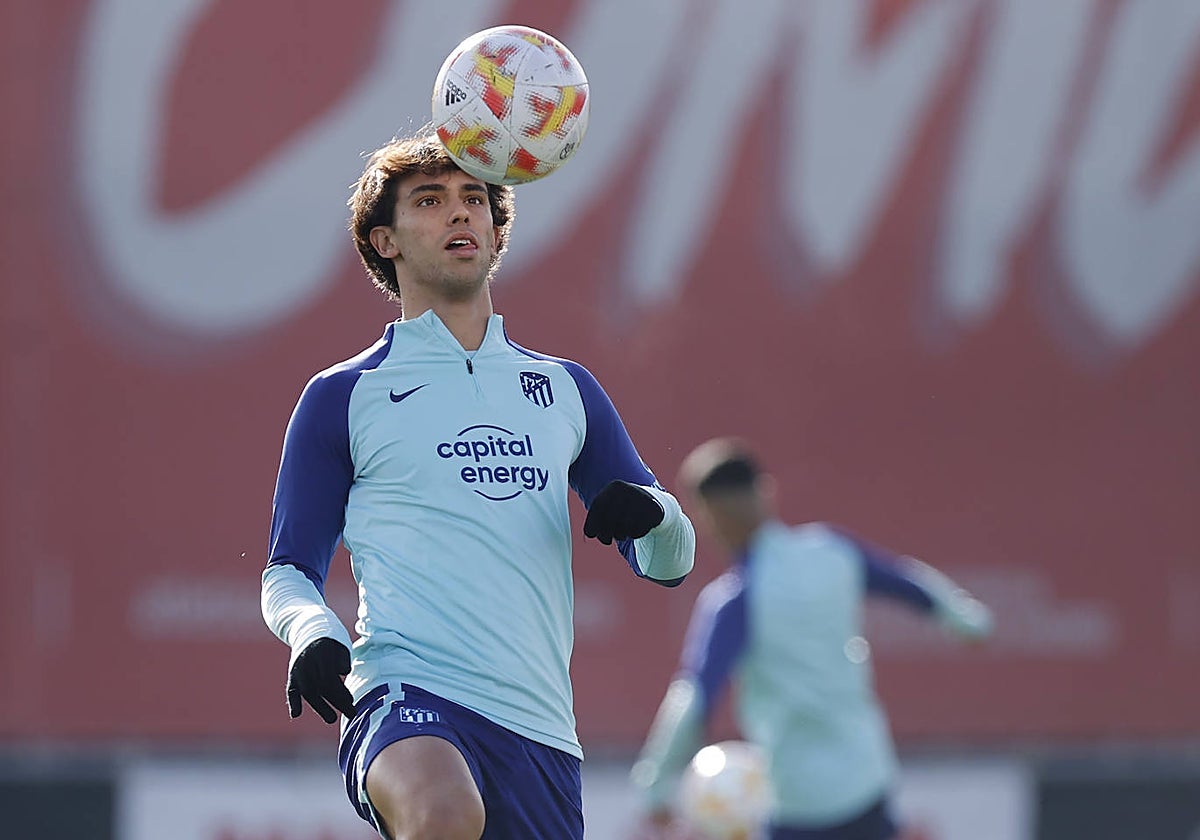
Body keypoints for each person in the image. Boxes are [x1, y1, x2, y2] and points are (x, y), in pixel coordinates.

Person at [260, 131, 696, 840]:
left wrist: (655, 513)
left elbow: (670, 564)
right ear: (386, 241)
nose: (459, 213)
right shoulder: (343, 395)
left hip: (541, 730)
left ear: (497, 233)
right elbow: (287, 572)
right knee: (442, 816)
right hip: (404, 693)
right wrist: (311, 632)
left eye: (474, 200)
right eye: (430, 201)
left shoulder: (564, 389)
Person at [630, 437, 993, 840]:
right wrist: (965, 618)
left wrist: (655, 786)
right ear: (765, 491)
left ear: (707, 517)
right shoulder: (833, 551)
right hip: (867, 781)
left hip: (799, 804)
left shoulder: (736, 600)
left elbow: (695, 696)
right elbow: (907, 582)